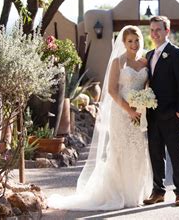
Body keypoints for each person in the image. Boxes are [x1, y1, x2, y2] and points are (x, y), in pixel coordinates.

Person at [48, 25, 152, 210]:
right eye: (130, 41)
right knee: (120, 150)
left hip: (140, 113)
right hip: (121, 113)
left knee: (138, 150)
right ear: (124, 43)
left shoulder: (145, 63)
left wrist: (144, 105)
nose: (134, 44)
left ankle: (136, 192)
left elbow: (147, 88)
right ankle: (119, 193)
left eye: (136, 40)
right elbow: (112, 90)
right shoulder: (118, 62)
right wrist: (129, 110)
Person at [143, 16, 179, 207]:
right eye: (152, 30)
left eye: (159, 30)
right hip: (153, 116)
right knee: (155, 154)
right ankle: (158, 191)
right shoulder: (148, 56)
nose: (155, 33)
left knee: (176, 155)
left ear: (167, 31)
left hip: (172, 115)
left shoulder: (177, 54)